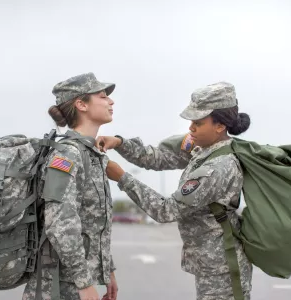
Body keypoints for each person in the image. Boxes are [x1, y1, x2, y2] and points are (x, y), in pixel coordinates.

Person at [97, 82, 253, 300]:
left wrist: (122, 177)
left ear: (220, 126)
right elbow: (158, 158)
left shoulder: (218, 167)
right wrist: (120, 143)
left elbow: (166, 210)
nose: (191, 128)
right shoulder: (203, 149)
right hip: (211, 262)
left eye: (198, 122)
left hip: (222, 268)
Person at [23, 73, 118, 300]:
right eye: (103, 97)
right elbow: (59, 223)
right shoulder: (67, 155)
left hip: (73, 283)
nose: (111, 102)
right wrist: (84, 284)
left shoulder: (91, 154)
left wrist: (109, 271)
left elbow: (93, 223)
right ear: (81, 104)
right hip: (57, 286)